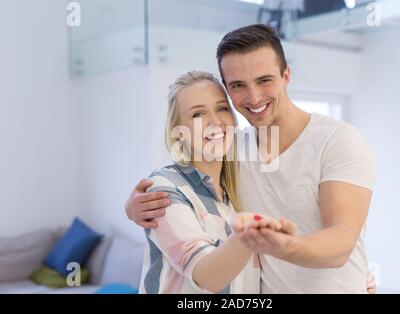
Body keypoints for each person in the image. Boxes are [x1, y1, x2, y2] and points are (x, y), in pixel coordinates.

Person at [128, 24, 377, 293]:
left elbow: (340, 244)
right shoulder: (234, 151)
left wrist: (280, 245)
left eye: (264, 80)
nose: (254, 96)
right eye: (238, 85)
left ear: (286, 75)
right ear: (227, 88)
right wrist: (132, 208)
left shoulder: (338, 141)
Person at [139, 70, 295, 294]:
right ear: (178, 133)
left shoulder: (238, 190)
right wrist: (249, 235)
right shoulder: (164, 188)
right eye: (197, 115)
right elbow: (206, 276)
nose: (215, 122)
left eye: (222, 108)